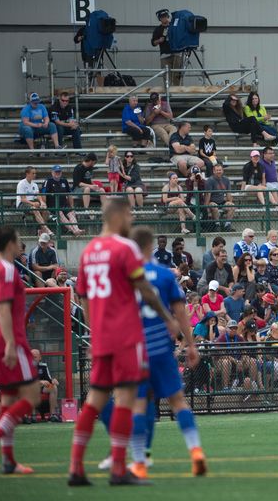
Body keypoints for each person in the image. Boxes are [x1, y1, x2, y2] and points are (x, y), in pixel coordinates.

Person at [68, 200, 178, 486]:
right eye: (129, 214)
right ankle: (118, 468)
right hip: (127, 336)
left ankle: (76, 467)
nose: (130, 219)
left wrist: (94, 334)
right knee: (127, 399)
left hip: (102, 337)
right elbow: (145, 289)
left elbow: (85, 298)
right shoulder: (124, 248)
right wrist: (168, 318)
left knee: (94, 400)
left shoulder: (88, 251)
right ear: (118, 215)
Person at [0, 226, 42, 475]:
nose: (21, 245)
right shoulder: (7, 270)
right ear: (11, 244)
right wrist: (11, 344)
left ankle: (9, 461)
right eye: (19, 241)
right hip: (9, 341)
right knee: (32, 396)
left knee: (9, 399)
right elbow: (3, 309)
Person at [42, 165, 83, 236]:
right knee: (60, 213)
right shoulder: (48, 181)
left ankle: (77, 229)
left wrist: (72, 207)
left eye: (59, 172)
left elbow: (69, 194)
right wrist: (45, 205)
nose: (57, 173)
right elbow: (43, 194)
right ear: (52, 172)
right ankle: (73, 230)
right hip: (53, 206)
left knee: (71, 213)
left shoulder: (64, 180)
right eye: (56, 172)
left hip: (64, 205)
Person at [16, 166, 52, 236]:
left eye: (35, 173)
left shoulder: (34, 184)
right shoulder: (21, 183)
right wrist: (33, 203)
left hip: (31, 202)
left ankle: (40, 230)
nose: (34, 175)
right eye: (33, 173)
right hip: (22, 204)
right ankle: (45, 229)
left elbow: (38, 195)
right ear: (27, 174)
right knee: (34, 209)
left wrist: (42, 202)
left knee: (46, 211)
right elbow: (23, 199)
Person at [152, 9, 182, 87]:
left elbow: (180, 37)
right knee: (166, 76)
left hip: (176, 54)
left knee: (176, 75)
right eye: (162, 17)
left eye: (165, 16)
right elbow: (153, 42)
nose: (164, 18)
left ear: (168, 17)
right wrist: (159, 40)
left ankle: (176, 93)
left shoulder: (173, 27)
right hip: (165, 55)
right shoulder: (158, 29)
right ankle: (168, 93)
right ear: (159, 19)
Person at [206, 163, 234, 231]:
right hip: (212, 201)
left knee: (232, 206)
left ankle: (227, 225)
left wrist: (229, 203)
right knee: (214, 206)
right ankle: (217, 225)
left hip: (222, 202)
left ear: (222, 170)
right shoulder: (210, 180)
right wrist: (206, 207)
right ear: (214, 171)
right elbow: (208, 194)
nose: (219, 171)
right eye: (217, 170)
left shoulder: (226, 180)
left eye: (220, 170)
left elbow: (228, 194)